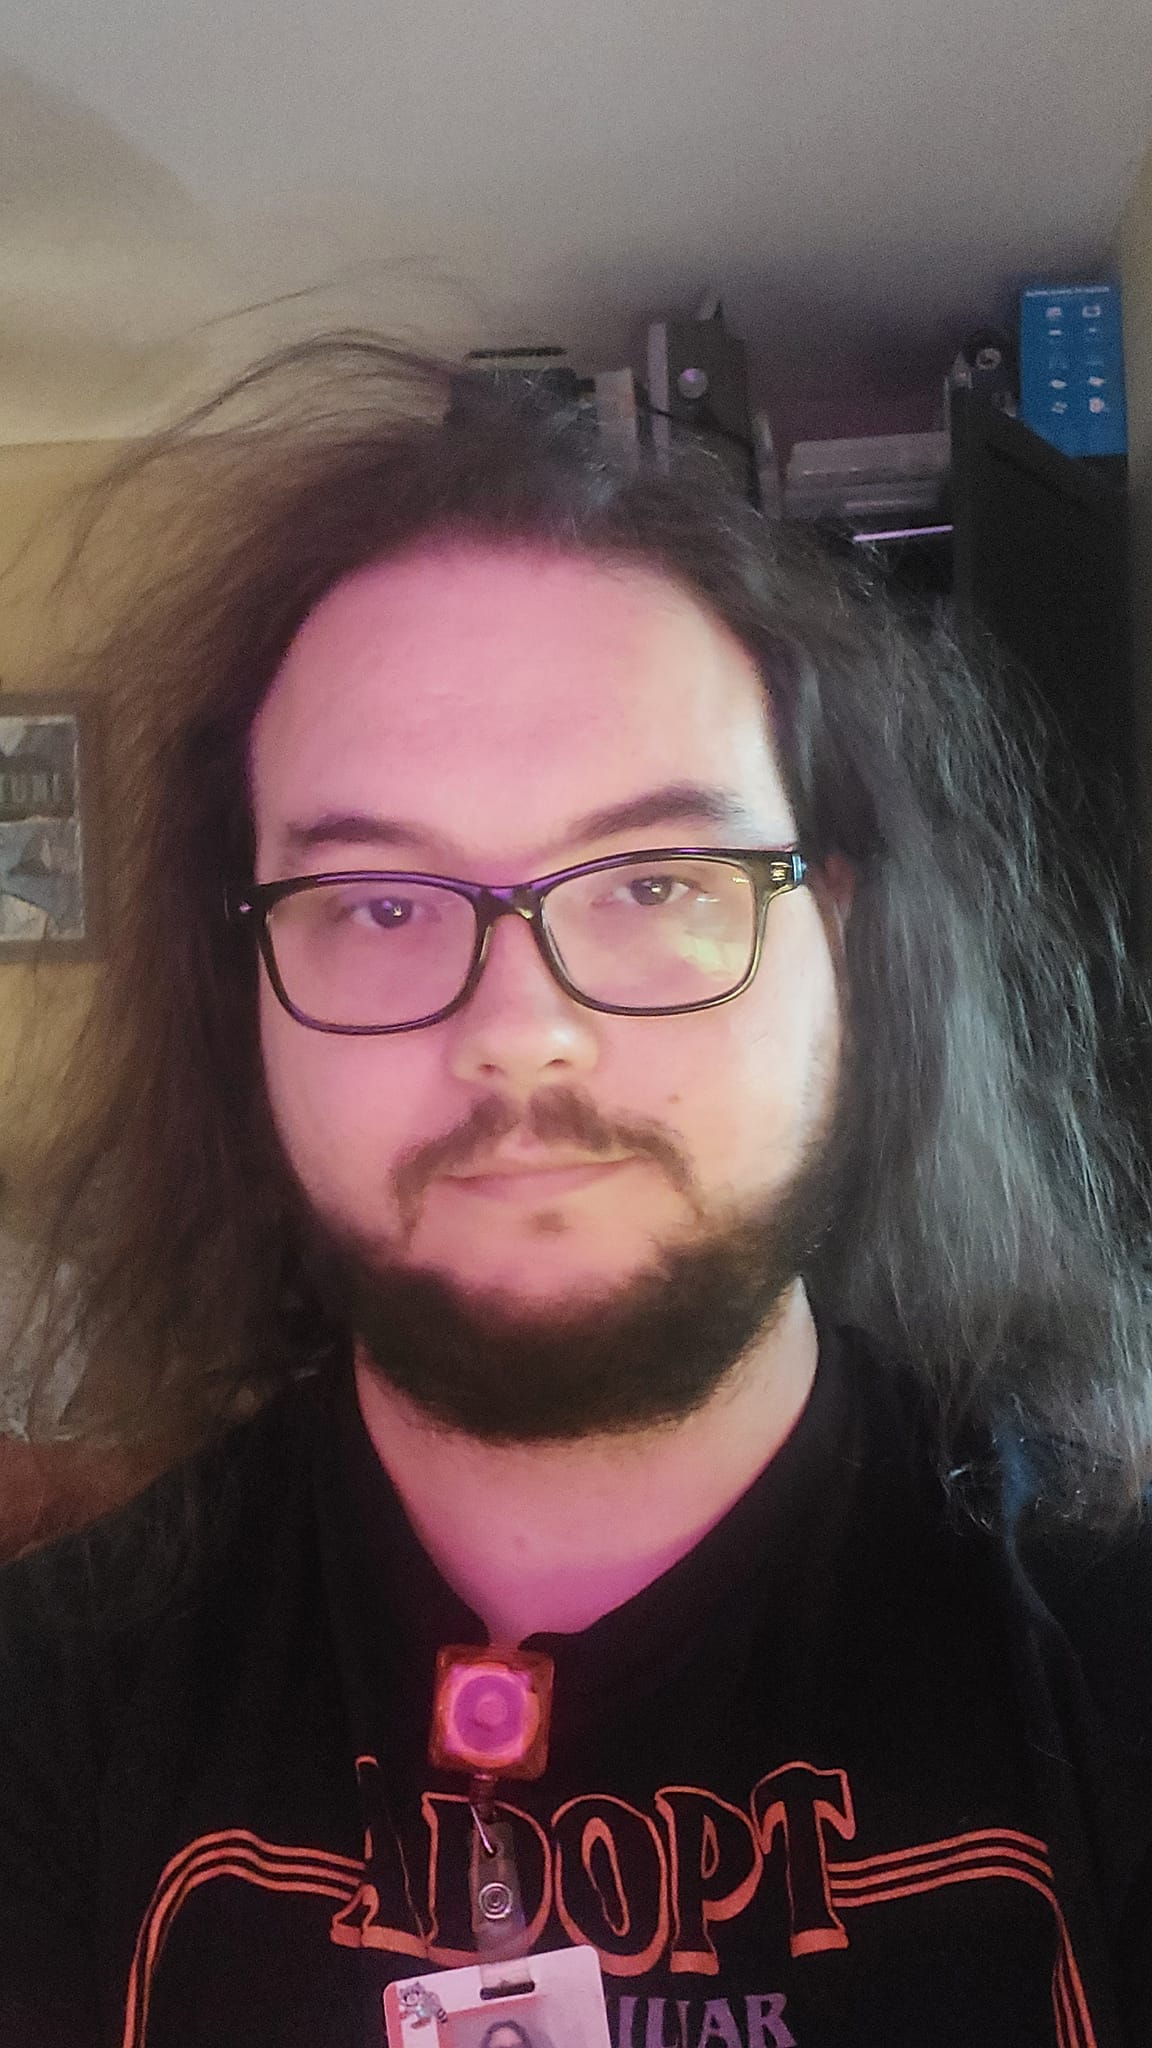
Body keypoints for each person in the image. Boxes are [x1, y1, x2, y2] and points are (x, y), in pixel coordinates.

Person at [1, 334, 1151, 2048]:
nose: (519, 1036)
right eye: (378, 903)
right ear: (239, 993)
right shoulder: (47, 1709)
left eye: (658, 882)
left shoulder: (1106, 1674)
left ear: (830, 936)